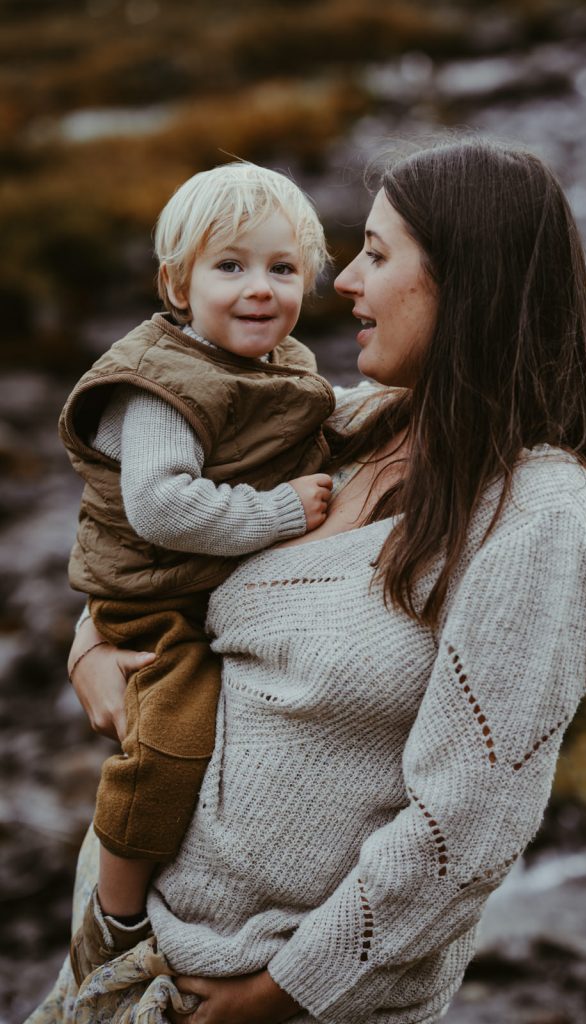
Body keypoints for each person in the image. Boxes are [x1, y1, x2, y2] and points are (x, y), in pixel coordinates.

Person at [32, 135, 586, 1024]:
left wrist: (277, 995)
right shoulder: (338, 424)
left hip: (275, 1002)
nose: (341, 281)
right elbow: (146, 543)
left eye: (377, 256)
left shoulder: (537, 521)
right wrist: (91, 649)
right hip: (130, 954)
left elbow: (461, 831)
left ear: (468, 284)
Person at [56, 161, 336, 985]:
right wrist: (281, 515)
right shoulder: (159, 390)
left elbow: (311, 419)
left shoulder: (272, 361)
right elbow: (160, 507)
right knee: (174, 744)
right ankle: (115, 914)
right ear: (176, 286)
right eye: (230, 266)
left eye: (282, 269)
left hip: (196, 588)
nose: (260, 288)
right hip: (153, 605)